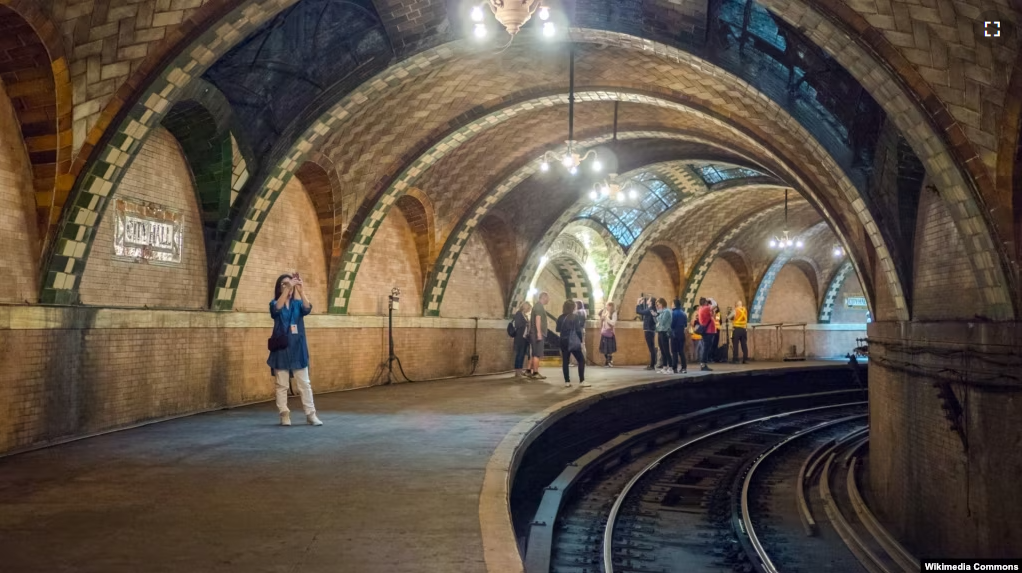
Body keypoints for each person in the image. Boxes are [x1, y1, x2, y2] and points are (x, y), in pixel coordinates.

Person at [268, 273, 323, 426]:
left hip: (298, 349)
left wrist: (301, 290)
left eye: (290, 283)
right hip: (281, 350)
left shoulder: (298, 304)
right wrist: (288, 288)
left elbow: (307, 308)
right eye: (284, 284)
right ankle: (284, 414)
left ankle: (311, 414)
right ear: (279, 288)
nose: (289, 286)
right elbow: (276, 309)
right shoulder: (274, 303)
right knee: (282, 385)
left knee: (304, 383)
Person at [556, 299, 589, 387]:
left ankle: (567, 382)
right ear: (572, 307)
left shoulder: (560, 317)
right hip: (573, 341)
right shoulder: (575, 317)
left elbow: (558, 329)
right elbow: (578, 330)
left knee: (565, 362)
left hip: (563, 341)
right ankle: (582, 381)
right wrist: (581, 341)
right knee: (581, 360)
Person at [528, 292, 549, 379]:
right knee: (537, 353)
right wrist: (539, 333)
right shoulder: (539, 307)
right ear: (544, 298)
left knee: (535, 353)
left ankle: (531, 371)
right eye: (548, 298)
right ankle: (536, 372)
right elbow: (538, 319)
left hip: (535, 333)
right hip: (537, 334)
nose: (548, 300)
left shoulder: (537, 306)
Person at [635, 296, 659, 370]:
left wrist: (638, 303)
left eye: (648, 300)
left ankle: (652, 365)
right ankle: (652, 364)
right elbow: (644, 311)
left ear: (651, 302)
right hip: (651, 330)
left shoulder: (650, 310)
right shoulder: (653, 309)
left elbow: (639, 312)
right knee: (652, 348)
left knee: (651, 348)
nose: (647, 300)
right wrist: (641, 304)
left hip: (648, 330)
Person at [696, 297, 717, 371]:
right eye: (707, 302)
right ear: (705, 303)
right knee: (706, 348)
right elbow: (715, 304)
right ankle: (703, 364)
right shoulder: (705, 308)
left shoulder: (702, 309)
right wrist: (711, 299)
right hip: (708, 331)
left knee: (706, 348)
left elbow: (711, 317)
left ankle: (703, 363)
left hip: (708, 331)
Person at [654, 298, 675, 374]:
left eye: (658, 304)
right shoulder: (661, 312)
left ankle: (671, 367)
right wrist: (657, 315)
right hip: (660, 331)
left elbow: (662, 322)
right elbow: (656, 321)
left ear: (662, 304)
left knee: (666, 350)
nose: (657, 306)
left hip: (665, 332)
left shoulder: (667, 311)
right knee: (662, 350)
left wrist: (657, 315)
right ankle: (664, 367)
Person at [512, 301, 532, 379]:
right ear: (524, 306)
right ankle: (517, 371)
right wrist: (526, 324)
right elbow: (517, 324)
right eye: (528, 308)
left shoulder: (525, 315)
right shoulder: (519, 314)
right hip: (520, 337)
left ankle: (520, 369)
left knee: (522, 354)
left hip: (525, 338)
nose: (529, 310)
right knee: (519, 354)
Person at [670, 299, 688, 374]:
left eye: (672, 303)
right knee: (681, 351)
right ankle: (684, 368)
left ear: (674, 304)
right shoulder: (684, 313)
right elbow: (686, 325)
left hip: (674, 334)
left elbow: (672, 324)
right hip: (682, 334)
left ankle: (674, 368)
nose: (671, 305)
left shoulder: (673, 313)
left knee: (674, 352)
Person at [598, 302, 618, 367]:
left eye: (607, 306)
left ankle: (609, 362)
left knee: (609, 349)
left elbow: (613, 323)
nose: (606, 307)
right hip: (604, 332)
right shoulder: (606, 312)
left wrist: (606, 318)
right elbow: (603, 321)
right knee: (604, 348)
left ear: (611, 306)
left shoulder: (614, 313)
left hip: (610, 332)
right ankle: (608, 361)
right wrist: (602, 318)